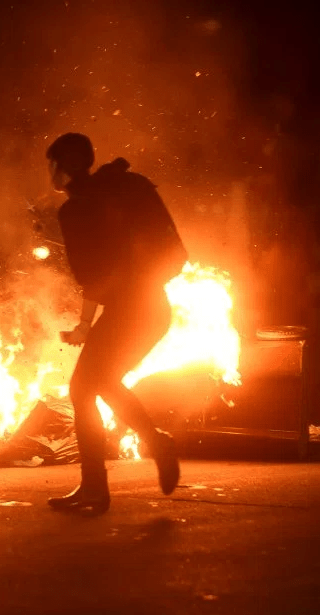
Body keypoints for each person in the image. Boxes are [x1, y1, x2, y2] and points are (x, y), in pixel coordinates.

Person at [45, 132, 186, 515]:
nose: (49, 174)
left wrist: (84, 324)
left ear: (62, 169)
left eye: (51, 165)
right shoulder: (126, 186)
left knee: (83, 389)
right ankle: (154, 445)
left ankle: (97, 486)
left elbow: (97, 275)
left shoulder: (76, 210)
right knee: (99, 383)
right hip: (155, 307)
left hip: (128, 311)